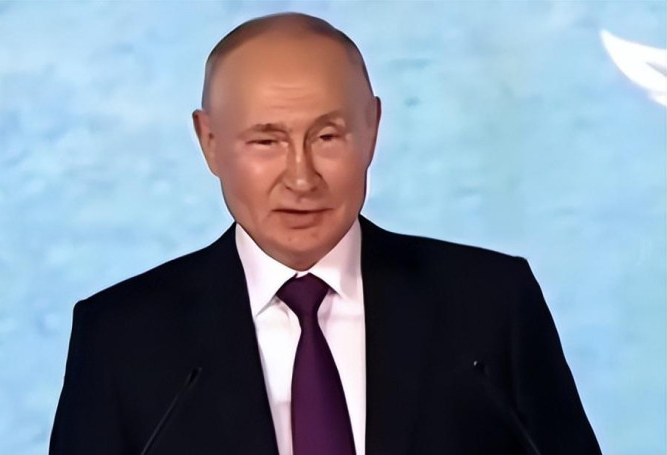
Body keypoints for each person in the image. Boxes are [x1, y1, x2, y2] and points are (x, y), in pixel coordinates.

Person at [49, 12, 601, 455]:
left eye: (328, 137)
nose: (301, 177)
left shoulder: (490, 305)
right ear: (209, 142)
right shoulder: (121, 337)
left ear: (372, 129)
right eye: (266, 142)